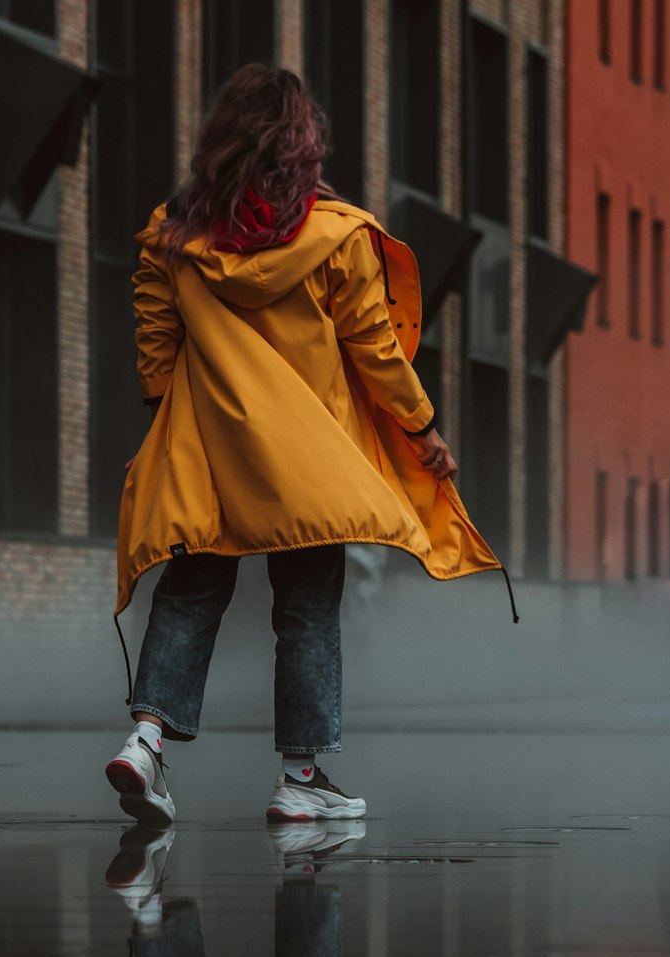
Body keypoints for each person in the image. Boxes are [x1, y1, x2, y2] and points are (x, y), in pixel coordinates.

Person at [105, 64, 507, 826]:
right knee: (308, 610)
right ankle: (301, 777)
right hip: (307, 461)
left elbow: (155, 342)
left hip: (206, 448)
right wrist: (423, 429)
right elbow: (375, 349)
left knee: (190, 596)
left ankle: (145, 740)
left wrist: (168, 420)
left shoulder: (173, 234)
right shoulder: (336, 237)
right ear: (303, 148)